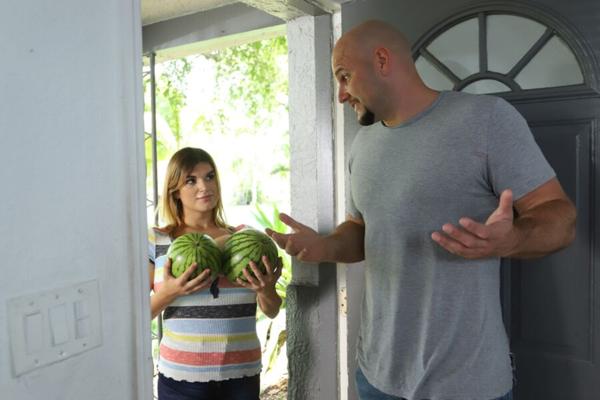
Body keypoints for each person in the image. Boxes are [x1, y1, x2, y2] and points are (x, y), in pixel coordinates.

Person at [266, 20, 576, 400]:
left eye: (344, 77)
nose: (341, 95)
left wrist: (511, 239)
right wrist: (325, 248)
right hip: (376, 377)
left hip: (466, 385)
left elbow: (560, 217)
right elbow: (361, 229)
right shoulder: (363, 145)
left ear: (382, 60)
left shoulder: (488, 120)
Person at [148, 147, 282, 400]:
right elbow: (136, 317)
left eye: (209, 177)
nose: (204, 186)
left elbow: (272, 310)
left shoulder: (243, 237)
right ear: (174, 190)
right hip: (182, 378)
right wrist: (169, 293)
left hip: (241, 376)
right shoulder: (158, 239)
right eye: (191, 180)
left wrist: (265, 290)